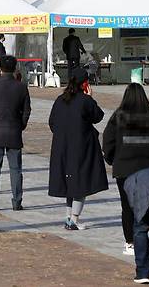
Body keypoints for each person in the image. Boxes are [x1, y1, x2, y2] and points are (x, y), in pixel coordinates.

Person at [103, 83, 149, 256]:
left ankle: (130, 242)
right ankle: (142, 237)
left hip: (123, 168)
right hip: (145, 167)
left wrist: (111, 159)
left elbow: (108, 141)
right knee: (143, 205)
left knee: (127, 207)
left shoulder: (119, 116)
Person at [48, 68, 108, 230]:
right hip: (81, 147)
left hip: (62, 146)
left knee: (69, 182)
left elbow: (52, 122)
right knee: (80, 182)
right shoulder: (84, 100)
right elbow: (98, 116)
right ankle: (74, 219)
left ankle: (68, 217)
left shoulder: (60, 99)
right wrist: (90, 97)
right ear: (85, 83)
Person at [0, 55, 31, 211]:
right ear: (15, 67)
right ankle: (17, 201)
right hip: (14, 131)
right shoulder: (21, 87)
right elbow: (27, 110)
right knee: (15, 169)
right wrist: (21, 125)